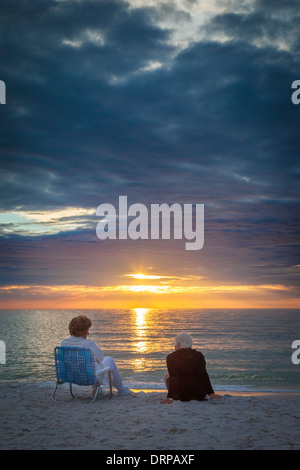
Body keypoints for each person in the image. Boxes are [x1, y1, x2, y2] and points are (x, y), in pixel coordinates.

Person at [61, 315, 132, 396]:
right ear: (83, 331)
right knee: (109, 360)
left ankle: (97, 391)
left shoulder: (64, 343)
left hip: (72, 377)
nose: (88, 333)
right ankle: (121, 389)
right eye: (87, 330)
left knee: (90, 365)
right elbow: (101, 358)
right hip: (89, 378)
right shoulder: (88, 343)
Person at [161, 332, 221, 404]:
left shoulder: (171, 357)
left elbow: (174, 378)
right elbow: (204, 375)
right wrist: (211, 393)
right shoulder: (199, 355)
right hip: (199, 395)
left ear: (179, 344)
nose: (175, 346)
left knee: (167, 376)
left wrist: (169, 398)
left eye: (176, 343)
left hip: (181, 396)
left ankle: (172, 396)